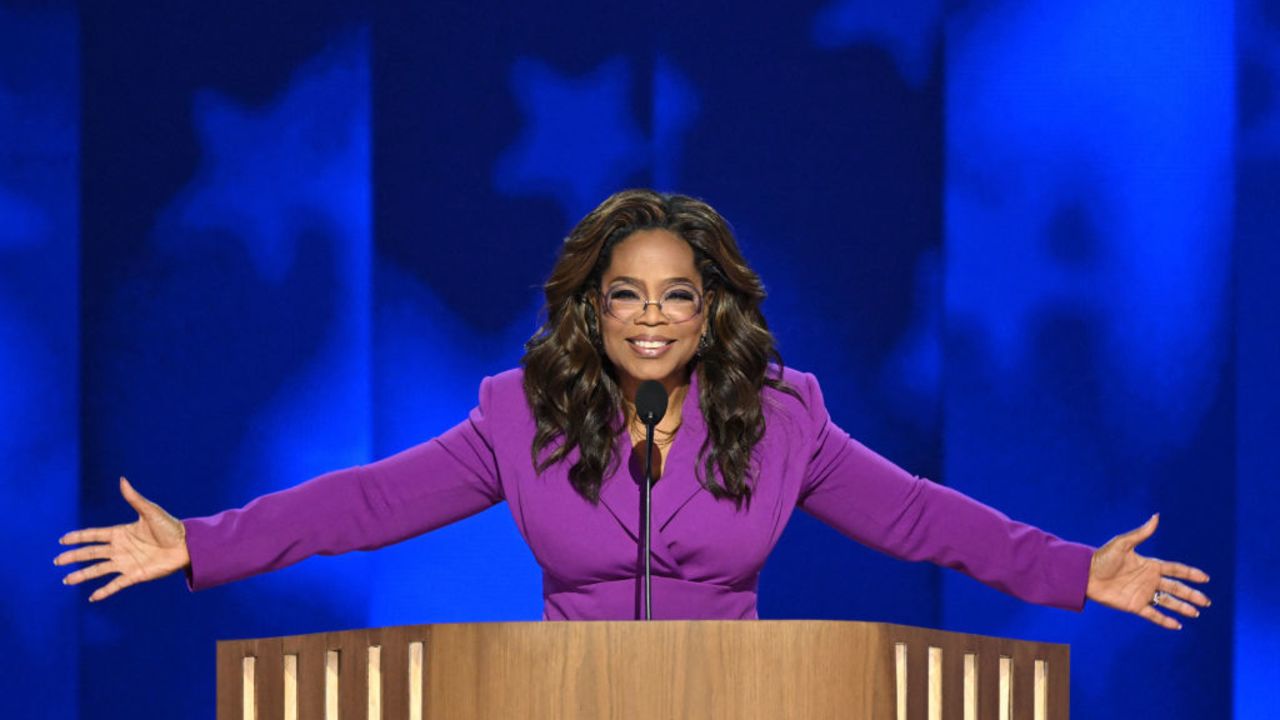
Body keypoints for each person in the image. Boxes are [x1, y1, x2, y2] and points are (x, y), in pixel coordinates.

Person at [55, 189, 1210, 627]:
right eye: (624, 295)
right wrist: (203, 544)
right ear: (589, 310)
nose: (649, 318)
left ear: (712, 310)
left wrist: (1075, 572)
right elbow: (365, 504)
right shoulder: (519, 417)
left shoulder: (784, 419)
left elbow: (919, 520)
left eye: (676, 295)